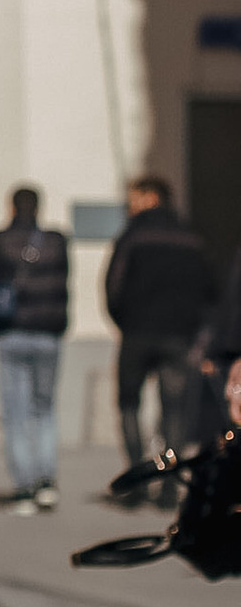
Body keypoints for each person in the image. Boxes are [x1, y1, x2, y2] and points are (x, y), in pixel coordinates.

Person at [103, 173, 216, 483]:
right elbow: (209, 290)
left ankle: (137, 478)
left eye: (134, 198)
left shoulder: (132, 236)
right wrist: (194, 329)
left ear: (151, 198)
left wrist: (125, 323)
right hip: (179, 337)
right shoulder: (191, 238)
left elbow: (113, 288)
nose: (129, 205)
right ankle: (170, 480)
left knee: (129, 403)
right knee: (174, 410)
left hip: (137, 334)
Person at [0, 183, 71, 516]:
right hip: (49, 335)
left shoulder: (0, 240)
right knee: (44, 409)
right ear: (38, 208)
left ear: (11, 208)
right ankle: (46, 483)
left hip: (12, 334)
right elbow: (65, 286)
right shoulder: (57, 241)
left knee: (16, 412)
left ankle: (24, 488)